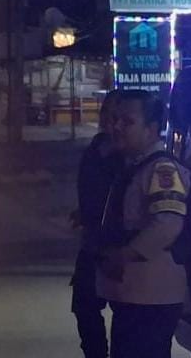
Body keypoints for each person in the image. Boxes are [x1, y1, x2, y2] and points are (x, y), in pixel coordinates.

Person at [97, 90, 190, 358]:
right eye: (115, 120)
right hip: (134, 293)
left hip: (152, 296)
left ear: (151, 128)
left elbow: (168, 224)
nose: (117, 127)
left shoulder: (161, 170)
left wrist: (125, 255)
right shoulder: (133, 166)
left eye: (127, 122)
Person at [70, 90, 124, 358]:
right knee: (84, 305)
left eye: (118, 117)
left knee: (125, 311)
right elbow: (93, 189)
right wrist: (84, 211)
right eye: (107, 114)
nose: (111, 122)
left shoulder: (130, 158)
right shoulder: (96, 148)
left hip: (120, 247)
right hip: (92, 243)